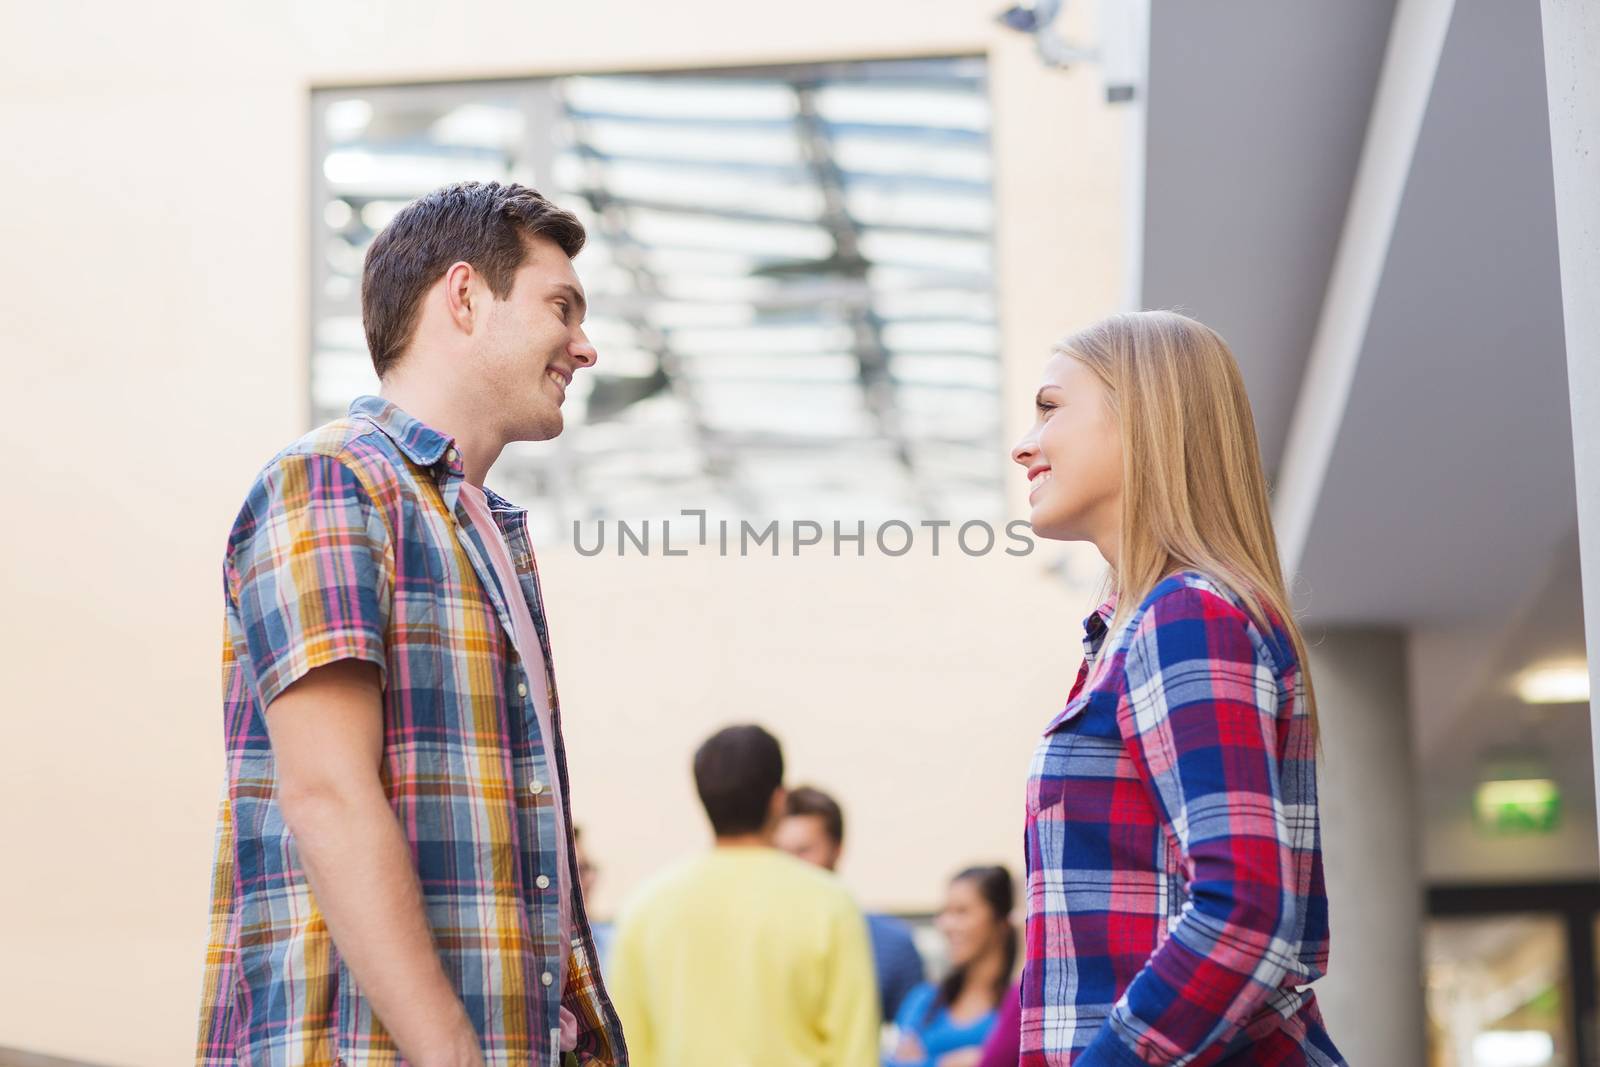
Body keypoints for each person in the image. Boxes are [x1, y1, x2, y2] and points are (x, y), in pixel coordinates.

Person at [195, 181, 627, 1067]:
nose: (584, 346)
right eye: (562, 307)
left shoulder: (494, 534)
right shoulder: (330, 481)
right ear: (465, 296)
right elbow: (327, 793)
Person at [1009, 311, 1345, 1065]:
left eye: (1051, 406)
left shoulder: (1185, 616)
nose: (1023, 443)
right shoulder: (1129, 633)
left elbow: (1244, 912)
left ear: (1144, 416)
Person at [607, 725, 879, 1067]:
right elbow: (855, 1053)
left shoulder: (643, 909)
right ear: (778, 800)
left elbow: (631, 1050)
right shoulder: (830, 904)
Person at [776, 784, 927, 1022]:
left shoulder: (893, 946)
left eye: (803, 851)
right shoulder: (759, 941)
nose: (791, 866)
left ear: (836, 850)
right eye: (780, 853)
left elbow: (910, 1047)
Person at [886, 866, 1016, 1067]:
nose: (946, 924)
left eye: (962, 912)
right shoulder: (924, 1000)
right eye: (944, 912)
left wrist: (923, 1062)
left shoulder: (1017, 1009)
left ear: (1001, 922)